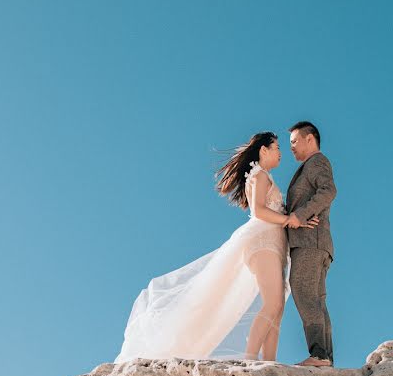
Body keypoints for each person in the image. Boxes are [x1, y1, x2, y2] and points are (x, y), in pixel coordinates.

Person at [114, 131, 319, 363]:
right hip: (263, 242)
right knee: (273, 302)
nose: (281, 153)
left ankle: (269, 361)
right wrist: (288, 219)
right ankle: (251, 358)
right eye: (277, 148)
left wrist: (298, 219)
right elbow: (260, 211)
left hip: (274, 243)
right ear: (263, 150)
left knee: (278, 305)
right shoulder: (259, 175)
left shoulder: (264, 177)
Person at [285, 121, 338, 367]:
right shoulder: (310, 165)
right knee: (316, 299)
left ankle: (319, 355)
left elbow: (328, 190)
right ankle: (325, 358)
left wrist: (300, 215)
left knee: (304, 291)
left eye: (294, 141)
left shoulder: (316, 162)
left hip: (311, 241)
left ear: (310, 139)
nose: (291, 148)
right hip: (318, 243)